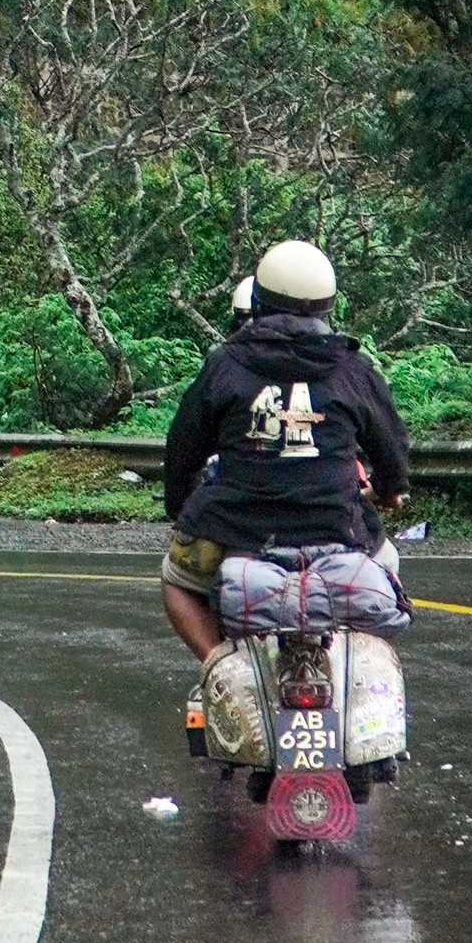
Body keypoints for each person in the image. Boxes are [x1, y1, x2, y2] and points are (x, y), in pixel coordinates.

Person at [159, 239, 410, 664]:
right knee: (388, 560)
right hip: (338, 527)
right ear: (328, 305)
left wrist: (181, 504)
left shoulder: (224, 365)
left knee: (176, 579)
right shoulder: (354, 369)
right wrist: (387, 491)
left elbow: (183, 450)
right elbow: (392, 452)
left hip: (238, 529)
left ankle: (219, 668)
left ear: (258, 298)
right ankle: (348, 668)